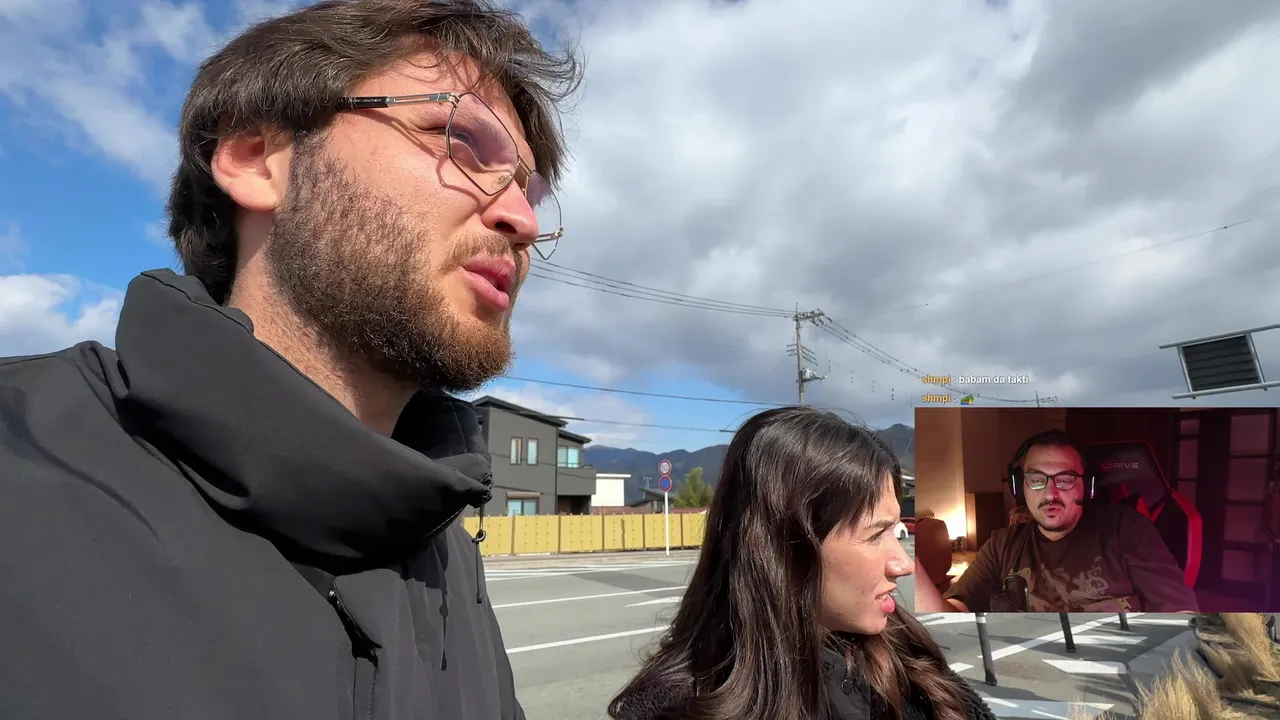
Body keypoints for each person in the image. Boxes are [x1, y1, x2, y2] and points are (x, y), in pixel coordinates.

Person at [0, 1, 580, 718]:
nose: (521, 220)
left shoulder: (447, 549)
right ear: (254, 157)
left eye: (529, 188)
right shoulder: (21, 467)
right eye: (460, 139)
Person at [608, 407, 997, 720]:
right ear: (786, 549)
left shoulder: (909, 657)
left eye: (895, 532)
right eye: (875, 534)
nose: (902, 563)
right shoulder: (675, 704)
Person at [917, 430, 1198, 614]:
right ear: (1020, 488)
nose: (1050, 493)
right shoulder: (1002, 545)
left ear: (1087, 487)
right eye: (1036, 479)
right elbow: (951, 615)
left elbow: (1180, 615)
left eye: (1065, 480)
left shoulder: (1127, 529)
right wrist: (914, 573)